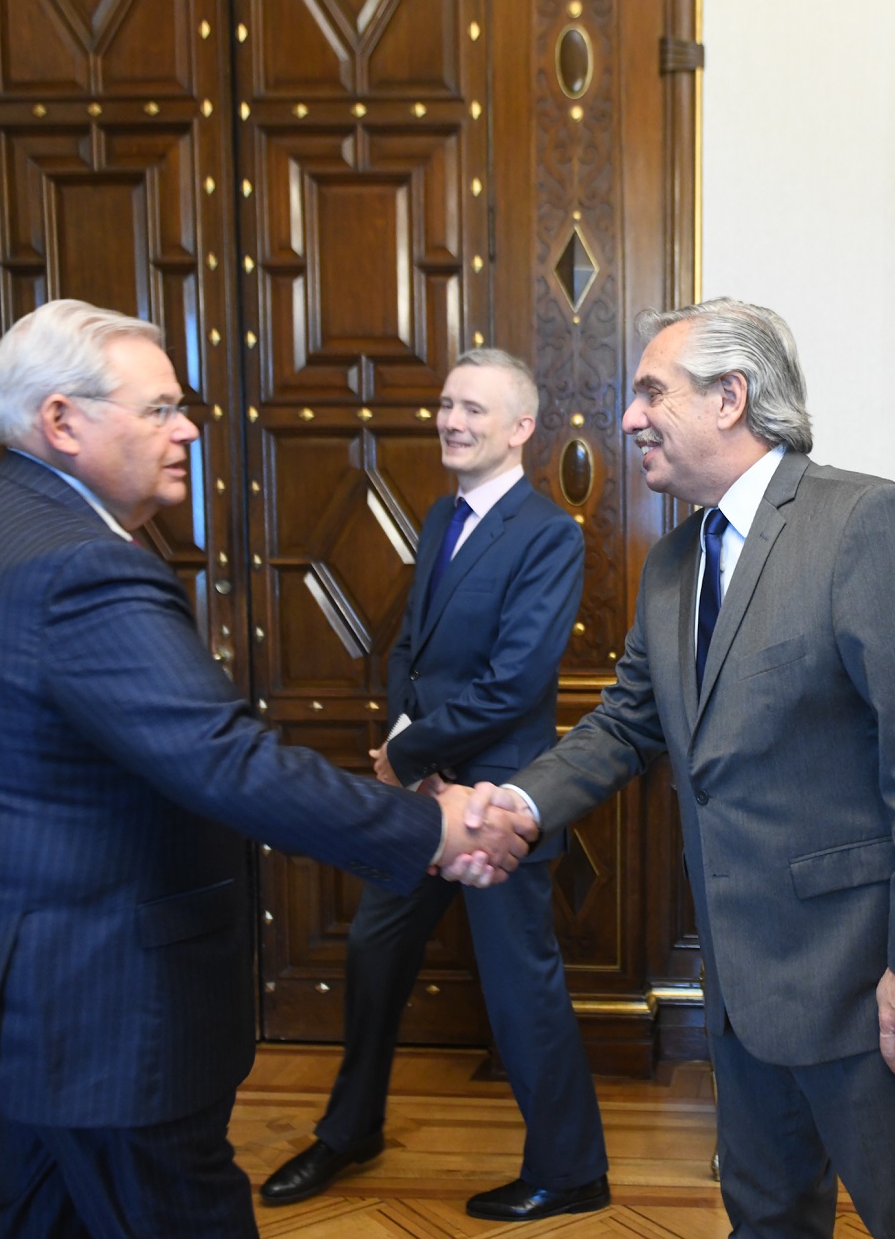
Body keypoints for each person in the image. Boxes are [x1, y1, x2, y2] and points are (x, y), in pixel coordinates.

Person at [0, 300, 538, 1239]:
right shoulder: (77, 565)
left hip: (22, 991)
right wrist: (436, 827)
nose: (188, 427)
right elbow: (223, 761)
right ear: (61, 422)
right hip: (97, 1008)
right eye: (158, 409)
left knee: (42, 1212)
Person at [450, 298, 895, 1238]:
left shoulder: (863, 522)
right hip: (742, 990)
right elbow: (624, 725)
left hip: (873, 991)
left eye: (651, 391)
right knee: (765, 1222)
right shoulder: (672, 564)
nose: (627, 418)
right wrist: (518, 804)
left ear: (731, 397)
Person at [259, 350, 607, 1220]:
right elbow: (409, 649)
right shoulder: (440, 514)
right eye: (447, 405)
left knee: (520, 987)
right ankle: (350, 1132)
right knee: (374, 956)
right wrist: (404, 752)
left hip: (496, 807)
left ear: (520, 427)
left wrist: (411, 758)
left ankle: (571, 1171)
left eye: (472, 410)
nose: (451, 421)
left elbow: (516, 681)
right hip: (419, 799)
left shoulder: (549, 534)